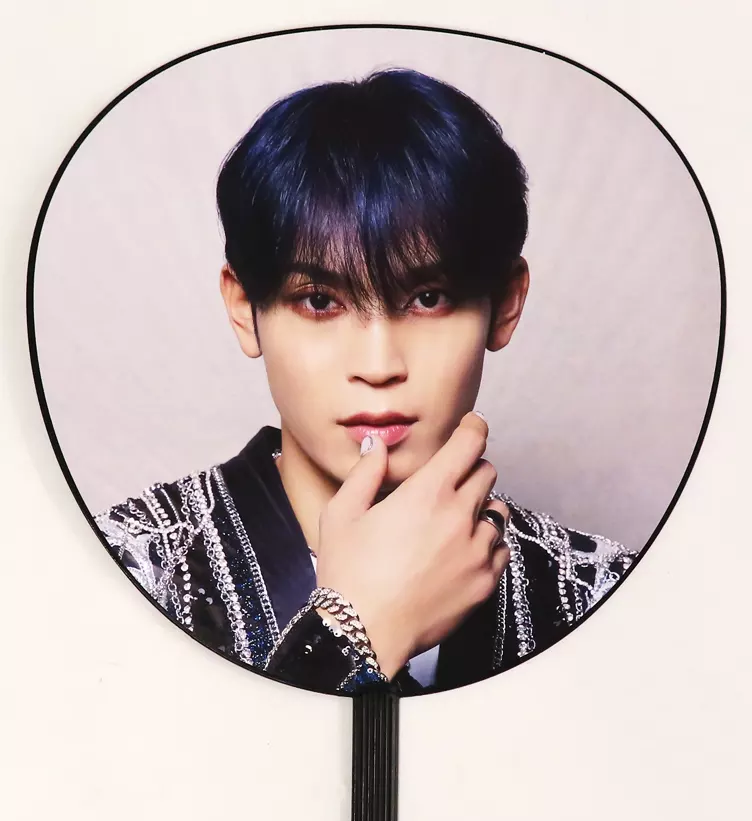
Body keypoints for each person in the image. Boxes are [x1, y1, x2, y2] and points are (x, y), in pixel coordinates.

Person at [94, 68, 637, 697]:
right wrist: (357, 633)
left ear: (506, 304)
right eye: (319, 301)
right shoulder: (123, 570)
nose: (379, 366)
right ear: (244, 309)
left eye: (429, 297)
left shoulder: (606, 594)